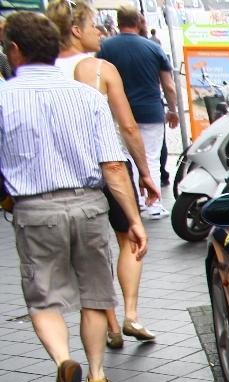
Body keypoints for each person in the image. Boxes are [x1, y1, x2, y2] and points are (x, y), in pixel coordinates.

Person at [0, 12, 147, 382]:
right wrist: (134, 219)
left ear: (15, 51)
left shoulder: (4, 98)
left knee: (43, 298)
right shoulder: (87, 97)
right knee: (95, 294)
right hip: (88, 205)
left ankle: (65, 361)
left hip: (34, 209)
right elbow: (113, 166)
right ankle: (97, 375)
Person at [50, 0, 160, 348]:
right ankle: (131, 314)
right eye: (93, 24)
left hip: (67, 174)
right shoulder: (100, 69)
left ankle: (110, 325)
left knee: (91, 255)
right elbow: (127, 126)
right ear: (75, 30)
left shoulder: (42, 70)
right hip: (108, 164)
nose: (100, 31)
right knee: (130, 239)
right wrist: (144, 172)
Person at [97, 5, 179, 222]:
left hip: (119, 111)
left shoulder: (105, 48)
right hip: (151, 111)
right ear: (139, 22)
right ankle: (154, 205)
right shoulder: (153, 48)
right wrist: (172, 110)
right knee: (151, 157)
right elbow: (168, 85)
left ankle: (137, 202)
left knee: (128, 158)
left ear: (118, 21)